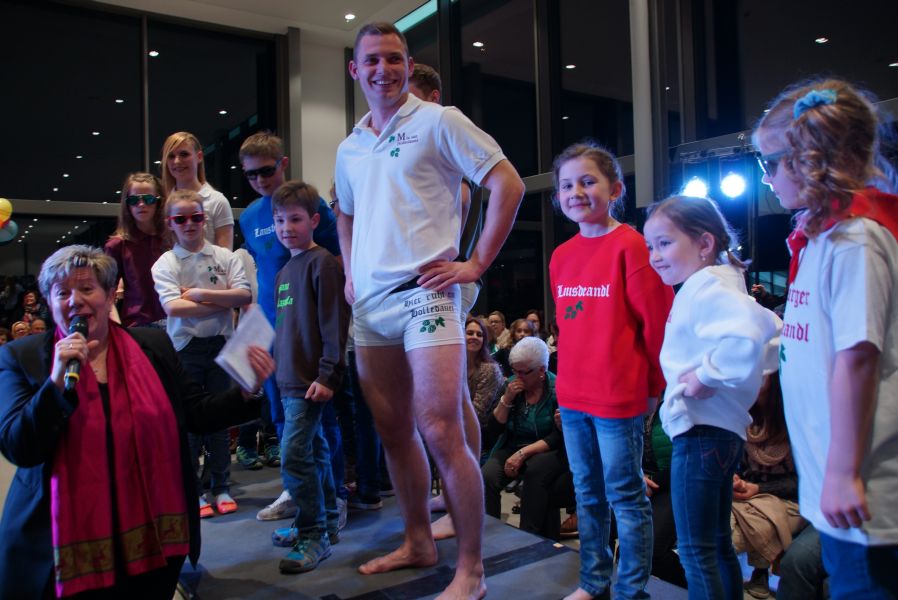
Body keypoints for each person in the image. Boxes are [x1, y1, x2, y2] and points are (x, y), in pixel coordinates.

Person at [335, 21, 524, 600]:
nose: (383, 70)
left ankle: (472, 570)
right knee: (393, 431)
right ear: (356, 69)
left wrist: (476, 263)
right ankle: (418, 540)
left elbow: (508, 184)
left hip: (426, 293)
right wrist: (351, 271)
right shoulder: (350, 146)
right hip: (371, 307)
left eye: (394, 59)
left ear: (408, 64)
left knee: (441, 427)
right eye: (372, 60)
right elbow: (346, 213)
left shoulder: (440, 121)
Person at [0, 245, 273, 599]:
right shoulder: (20, 357)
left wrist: (247, 393)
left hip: (153, 541)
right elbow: (19, 446)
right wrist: (54, 384)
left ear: (108, 295)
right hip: (60, 549)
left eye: (87, 289)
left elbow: (196, 413)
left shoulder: (152, 346)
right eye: (62, 293)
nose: (75, 301)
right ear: (49, 302)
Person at [753, 78, 898, 598]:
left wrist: (842, 473)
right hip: (831, 481)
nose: (767, 177)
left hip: (867, 486)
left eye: (772, 162)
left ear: (814, 159)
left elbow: (857, 359)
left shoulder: (857, 240)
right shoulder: (821, 238)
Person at [550, 142, 673, 600]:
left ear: (615, 189)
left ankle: (630, 589)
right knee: (587, 494)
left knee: (625, 495)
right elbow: (567, 328)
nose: (576, 192)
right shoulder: (561, 255)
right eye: (567, 185)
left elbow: (657, 326)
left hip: (619, 396)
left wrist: (655, 389)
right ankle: (593, 580)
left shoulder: (633, 246)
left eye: (588, 181)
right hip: (573, 395)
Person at [644, 194, 781, 599]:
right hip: (716, 431)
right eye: (650, 246)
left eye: (665, 243)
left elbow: (750, 337)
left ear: (704, 243)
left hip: (702, 431)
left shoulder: (707, 287)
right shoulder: (719, 283)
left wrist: (708, 375)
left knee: (696, 549)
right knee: (715, 544)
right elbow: (772, 332)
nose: (655, 256)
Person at [237, 131, 345, 520]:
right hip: (270, 328)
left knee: (320, 415)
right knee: (282, 414)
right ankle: (296, 490)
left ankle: (333, 498)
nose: (259, 180)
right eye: (250, 174)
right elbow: (262, 270)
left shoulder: (309, 204)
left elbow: (337, 257)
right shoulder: (249, 216)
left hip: (306, 330)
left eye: (266, 171)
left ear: (282, 164)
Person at [261, 181, 349, 574]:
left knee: (295, 456)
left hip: (312, 380)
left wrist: (329, 374)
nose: (286, 228)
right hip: (288, 381)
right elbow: (286, 331)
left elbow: (334, 324)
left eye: (295, 219)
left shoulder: (323, 264)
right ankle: (324, 524)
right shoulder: (284, 272)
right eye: (280, 221)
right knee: (314, 452)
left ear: (313, 220)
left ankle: (313, 534)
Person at [151, 189, 252, 518]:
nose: (189, 224)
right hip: (185, 349)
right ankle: (192, 491)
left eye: (195, 217)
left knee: (220, 422)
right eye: (181, 219)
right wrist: (221, 301)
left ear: (204, 219)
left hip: (222, 344)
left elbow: (243, 295)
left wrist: (195, 294)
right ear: (170, 223)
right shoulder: (165, 263)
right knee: (190, 424)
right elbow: (172, 308)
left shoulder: (225, 257)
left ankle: (221, 486)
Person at [482, 337, 568, 540]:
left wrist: (523, 453)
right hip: (514, 444)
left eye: (523, 372)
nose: (517, 376)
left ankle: (528, 537)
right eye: (514, 370)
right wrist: (506, 400)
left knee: (535, 471)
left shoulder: (558, 389)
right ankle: (490, 536)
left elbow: (558, 437)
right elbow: (493, 430)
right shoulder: (511, 385)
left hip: (549, 449)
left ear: (541, 370)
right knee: (487, 475)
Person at [731, 373, 807, 599]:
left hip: (790, 500)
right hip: (746, 494)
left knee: (740, 532)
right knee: (715, 524)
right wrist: (735, 479)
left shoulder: (796, 423)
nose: (751, 378)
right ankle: (732, 581)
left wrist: (759, 489)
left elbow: (804, 482)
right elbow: (736, 465)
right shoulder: (743, 417)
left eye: (761, 375)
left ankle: (759, 573)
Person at [104, 172, 169, 328]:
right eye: (134, 200)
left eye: (148, 199)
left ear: (159, 202)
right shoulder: (117, 245)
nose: (141, 205)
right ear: (127, 204)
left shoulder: (172, 239)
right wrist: (117, 329)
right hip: (137, 325)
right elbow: (106, 293)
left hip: (176, 322)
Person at [160, 131, 234, 250]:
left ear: (199, 156)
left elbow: (226, 256)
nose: (177, 161)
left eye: (184, 154)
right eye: (171, 156)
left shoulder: (217, 201)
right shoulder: (163, 203)